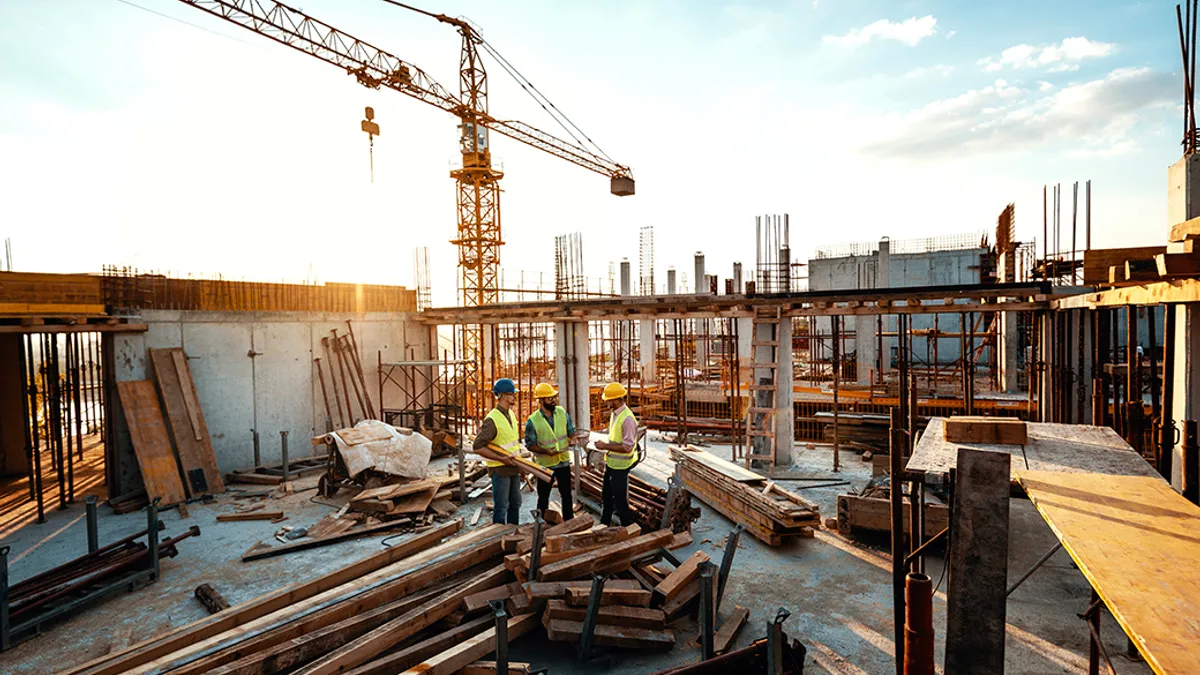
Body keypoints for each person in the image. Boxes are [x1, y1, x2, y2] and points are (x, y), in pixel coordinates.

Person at [472, 378, 522, 525]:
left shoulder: (510, 414)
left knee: (516, 504)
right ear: (504, 396)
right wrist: (502, 459)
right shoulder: (492, 419)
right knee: (501, 507)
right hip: (500, 470)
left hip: (513, 466)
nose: (514, 397)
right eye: (513, 394)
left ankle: (513, 535)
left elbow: (512, 442)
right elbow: (478, 446)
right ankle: (497, 539)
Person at [525, 382, 576, 521]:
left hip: (563, 462)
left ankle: (569, 522)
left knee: (566, 495)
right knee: (543, 497)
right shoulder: (533, 420)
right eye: (550, 398)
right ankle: (541, 525)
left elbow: (571, 431)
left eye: (554, 397)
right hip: (545, 465)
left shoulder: (561, 412)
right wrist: (545, 451)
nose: (553, 400)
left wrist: (573, 438)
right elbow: (529, 445)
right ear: (541, 401)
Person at [593, 381, 637, 526]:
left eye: (609, 400)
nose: (606, 402)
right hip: (611, 463)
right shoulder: (615, 414)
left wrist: (605, 445)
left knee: (619, 500)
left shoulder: (627, 419)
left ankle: (628, 527)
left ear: (617, 399)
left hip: (621, 465)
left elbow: (627, 447)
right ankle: (604, 523)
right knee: (606, 495)